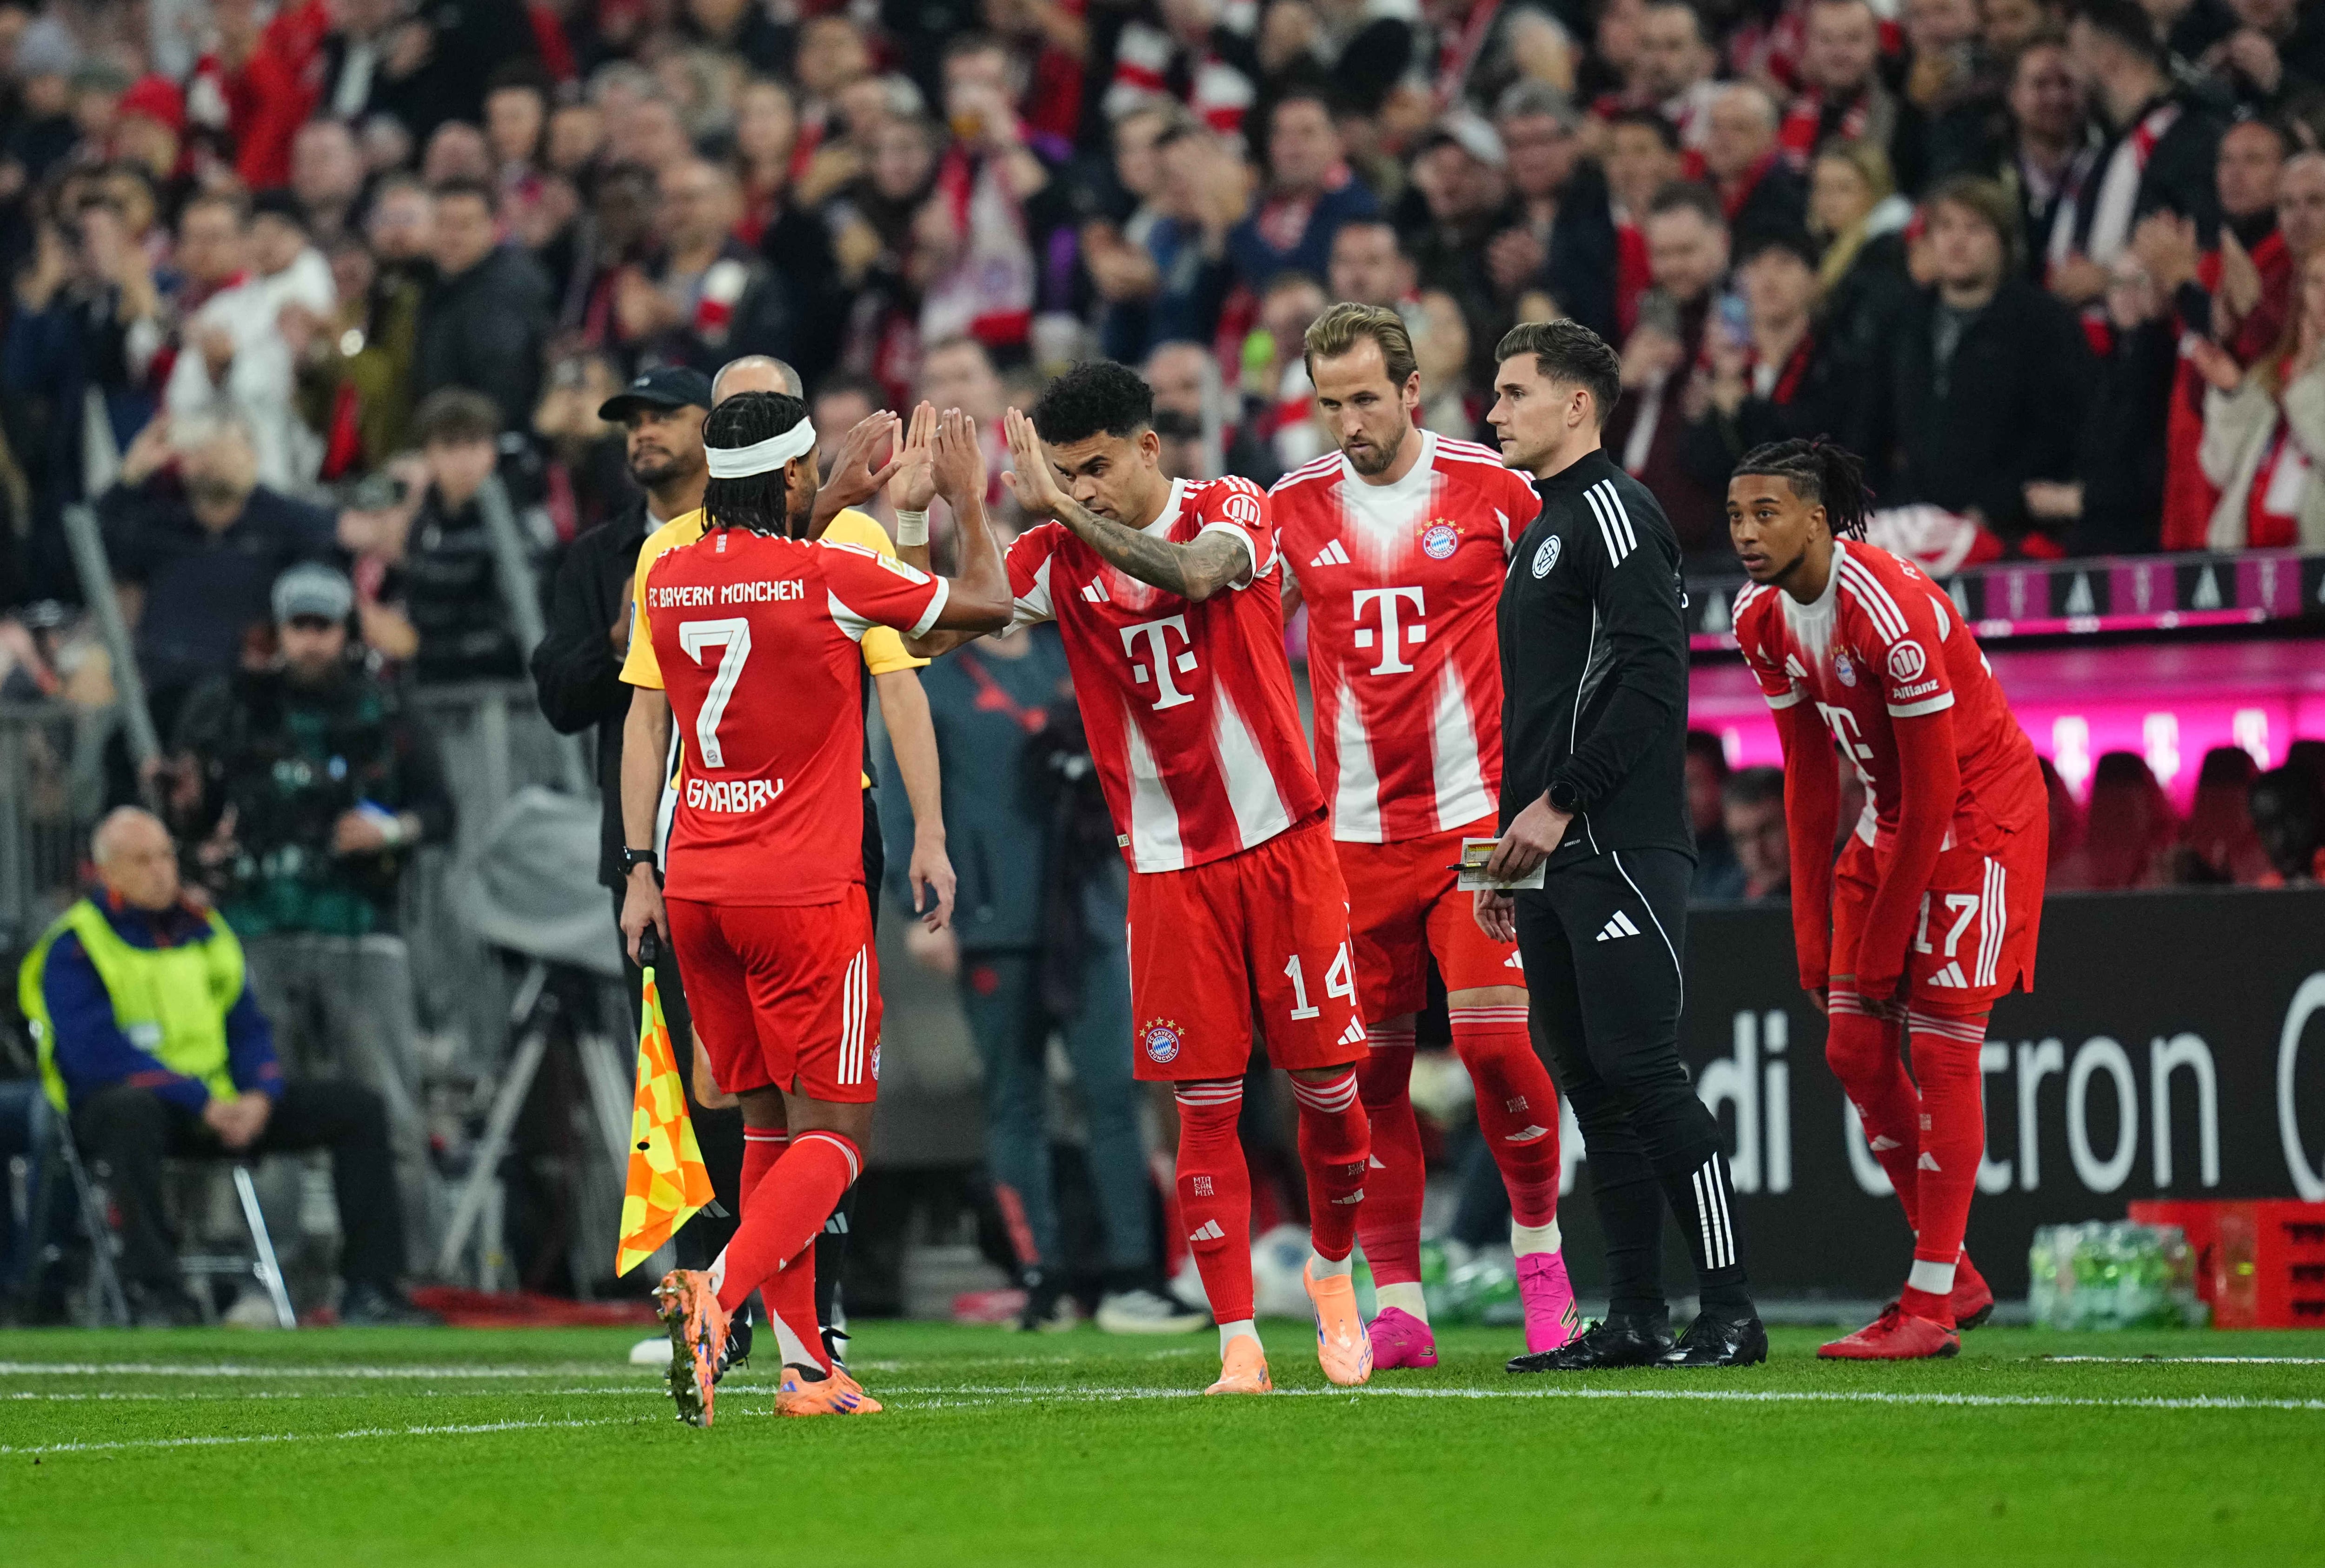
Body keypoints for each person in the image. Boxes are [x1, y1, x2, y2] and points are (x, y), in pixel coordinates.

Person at [901, 362, 1378, 1397]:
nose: (1085, 488)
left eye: (1099, 469)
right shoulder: (1053, 550)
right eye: (1069, 474)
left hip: (1283, 847)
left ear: (1149, 450)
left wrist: (1061, 509)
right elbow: (937, 628)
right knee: (1201, 1107)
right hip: (1168, 871)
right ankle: (1239, 1342)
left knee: (1330, 1099)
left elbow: (1199, 575)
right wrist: (933, 516)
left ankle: (1336, 1275)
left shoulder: (1233, 505)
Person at [631, 396, 1010, 1424]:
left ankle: (805, 1370)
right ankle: (717, 1290)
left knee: (766, 1126)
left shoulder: (665, 578)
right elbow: (987, 602)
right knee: (837, 1138)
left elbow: (758, 587)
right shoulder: (831, 574)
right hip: (803, 891)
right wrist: (968, 499)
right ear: (795, 482)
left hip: (698, 886)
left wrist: (828, 498)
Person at [1269, 303, 1576, 1370]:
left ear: (1410, 391)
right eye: (1330, 402)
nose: (1349, 420)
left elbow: (1575, 615)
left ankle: (1541, 1258)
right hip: (1350, 838)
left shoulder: (1496, 491)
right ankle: (1398, 1301)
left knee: (1494, 1045)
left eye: (1366, 397)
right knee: (1374, 1078)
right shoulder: (1290, 509)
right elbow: (1250, 647)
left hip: (1479, 822)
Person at [1479, 318, 1764, 1372]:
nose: (1495, 412)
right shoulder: (1543, 524)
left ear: (1577, 405)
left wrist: (1556, 804)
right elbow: (1543, 704)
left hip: (1618, 842)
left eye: (1513, 393)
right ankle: (1638, 1314)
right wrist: (1506, 851)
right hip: (1553, 848)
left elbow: (1652, 679)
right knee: (1594, 1087)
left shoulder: (1614, 509)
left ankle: (1731, 1307)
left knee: (1644, 1069)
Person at [1726, 437, 2047, 1359]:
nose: (1746, 535)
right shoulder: (1760, 618)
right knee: (1850, 1045)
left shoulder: (1888, 612)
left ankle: (1930, 1299)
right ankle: (1958, 1275)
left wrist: (1879, 941)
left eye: (1767, 514)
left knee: (1944, 1044)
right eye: (1736, 516)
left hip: (1978, 817)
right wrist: (1808, 921)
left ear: (1819, 518)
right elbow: (1806, 777)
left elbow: (1941, 789)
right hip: (1894, 815)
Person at [876, 609, 1199, 1335]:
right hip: (991, 918)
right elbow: (902, 791)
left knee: (1115, 1090)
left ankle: (1133, 1277)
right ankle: (1041, 1278)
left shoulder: (1071, 650)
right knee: (1015, 1101)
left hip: (1085, 911)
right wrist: (917, 904)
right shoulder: (933, 673)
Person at [19, 807, 431, 1326]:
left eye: (166, 855)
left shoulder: (206, 931)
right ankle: (157, 1293)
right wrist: (200, 1102)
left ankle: (372, 1290)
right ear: (107, 872)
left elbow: (249, 1028)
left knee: (359, 1108)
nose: (161, 870)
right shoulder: (75, 945)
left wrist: (259, 1093)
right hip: (132, 1111)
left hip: (222, 1108)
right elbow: (97, 1054)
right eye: (142, 860)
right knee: (128, 1112)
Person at [528, 364, 739, 1344]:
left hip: (756, 830)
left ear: (714, 427)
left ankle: (790, 1286)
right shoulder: (601, 557)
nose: (642, 433)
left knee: (761, 1077)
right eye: (632, 420)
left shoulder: (756, 537)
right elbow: (562, 694)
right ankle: (699, 1292)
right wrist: (620, 639)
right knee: (670, 1079)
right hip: (651, 853)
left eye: (663, 417)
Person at [171, 561, 454, 1264]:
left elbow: (441, 810)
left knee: (388, 1107)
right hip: (259, 928)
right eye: (299, 627)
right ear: (280, 630)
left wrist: (388, 829)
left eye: (324, 626)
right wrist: (191, 819)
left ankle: (405, 1274)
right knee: (264, 1107)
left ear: (346, 631)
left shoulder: (387, 710)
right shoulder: (230, 706)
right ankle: (276, 1278)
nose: (311, 642)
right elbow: (195, 813)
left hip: (362, 928)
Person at [1720, 766, 1791, 902]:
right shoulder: (1716, 904)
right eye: (1741, 838)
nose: (1757, 852)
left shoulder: (1839, 897)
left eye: (1768, 831)